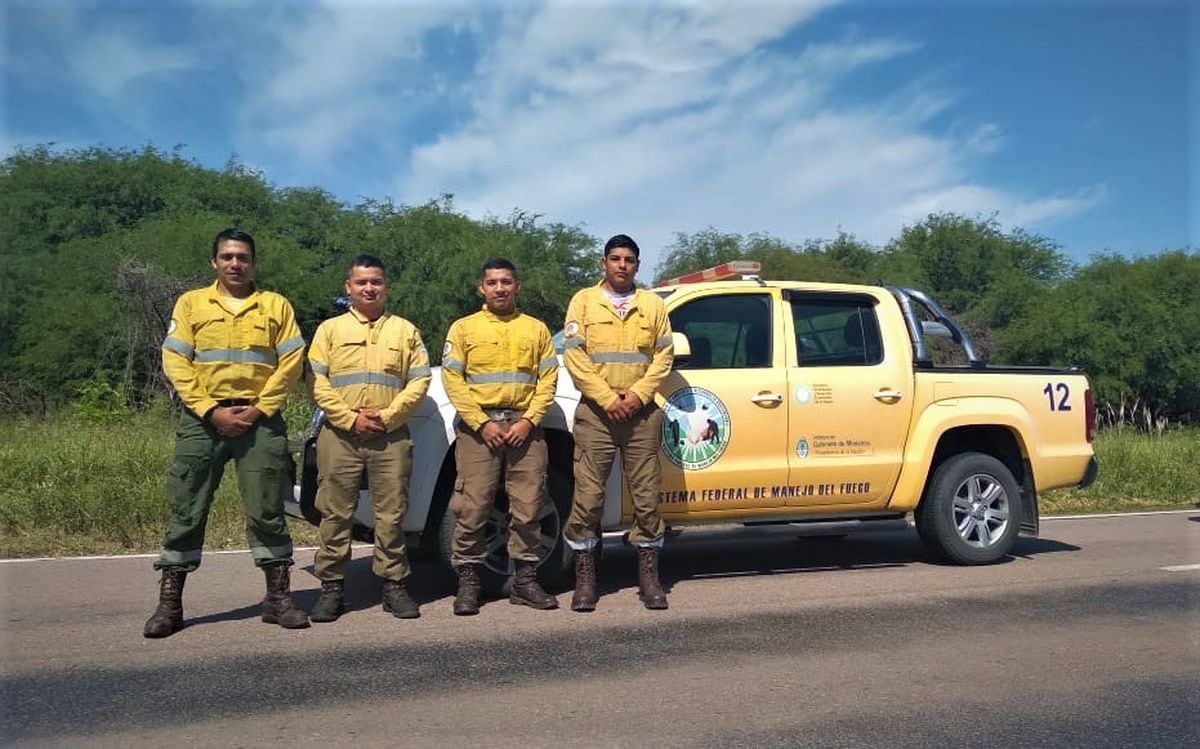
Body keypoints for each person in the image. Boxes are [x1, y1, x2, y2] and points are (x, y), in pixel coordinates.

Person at [145, 228, 308, 637]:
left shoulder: (275, 305)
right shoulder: (192, 304)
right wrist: (210, 410)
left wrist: (259, 409)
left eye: (243, 257)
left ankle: (277, 599)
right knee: (187, 510)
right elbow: (176, 361)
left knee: (268, 510)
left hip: (261, 421)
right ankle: (170, 604)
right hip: (204, 422)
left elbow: (291, 363)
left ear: (254, 262)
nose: (235, 264)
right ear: (214, 262)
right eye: (227, 257)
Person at [306, 255, 431, 622]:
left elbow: (419, 380)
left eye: (376, 281)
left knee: (391, 514)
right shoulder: (330, 330)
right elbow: (316, 381)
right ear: (349, 287)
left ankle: (394, 586)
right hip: (340, 435)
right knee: (335, 512)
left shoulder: (405, 331)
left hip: (389, 435)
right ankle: (331, 588)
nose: (369, 288)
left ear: (385, 286)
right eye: (361, 282)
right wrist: (348, 419)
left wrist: (390, 417)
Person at [441, 258, 560, 615]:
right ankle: (469, 583)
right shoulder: (463, 329)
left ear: (517, 286)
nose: (500, 288)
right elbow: (453, 381)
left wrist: (529, 420)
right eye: (492, 282)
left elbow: (548, 380)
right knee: (472, 506)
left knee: (528, 506)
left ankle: (525, 581)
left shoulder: (536, 329)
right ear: (482, 288)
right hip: (481, 431)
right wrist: (481, 423)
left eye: (506, 282)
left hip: (525, 428)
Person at [562, 234, 674, 611]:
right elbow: (575, 358)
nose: (622, 265)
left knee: (646, 497)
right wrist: (609, 398)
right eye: (615, 258)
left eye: (629, 259)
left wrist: (639, 395)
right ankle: (586, 578)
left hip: (641, 413)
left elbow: (663, 355)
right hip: (597, 413)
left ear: (638, 265)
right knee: (589, 497)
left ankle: (648, 577)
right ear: (604, 263)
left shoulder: (653, 305)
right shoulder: (584, 301)